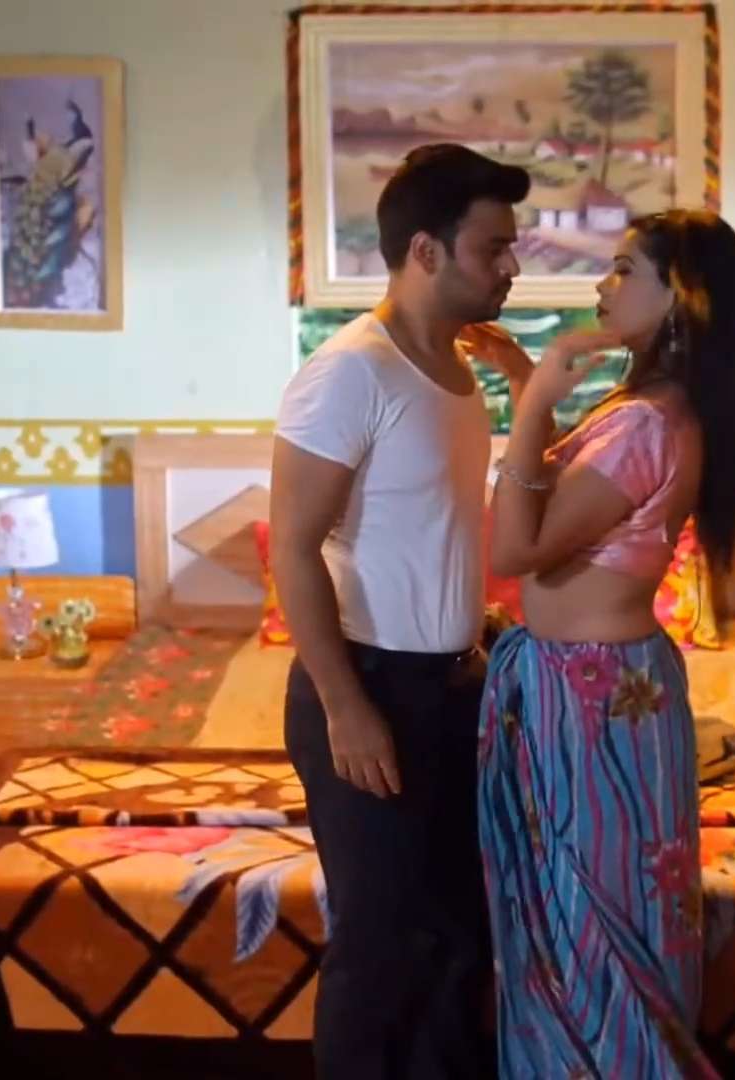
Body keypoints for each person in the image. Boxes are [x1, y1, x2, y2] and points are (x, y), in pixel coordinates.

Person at [472, 209, 735, 1077]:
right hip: (596, 690)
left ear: (682, 297)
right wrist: (524, 377)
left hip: (591, 699)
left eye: (626, 269)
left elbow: (514, 549)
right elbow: (563, 487)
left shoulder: (645, 424)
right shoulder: (650, 411)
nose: (603, 284)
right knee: (588, 922)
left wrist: (530, 404)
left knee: (587, 935)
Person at [269, 142, 535, 1080]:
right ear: (426, 251)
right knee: (381, 949)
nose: (512, 266)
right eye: (494, 247)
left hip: (455, 688)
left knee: (459, 938)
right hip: (368, 682)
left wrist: (526, 384)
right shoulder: (352, 371)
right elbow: (293, 546)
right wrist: (345, 706)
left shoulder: (460, 373)